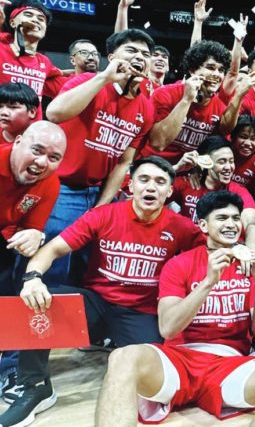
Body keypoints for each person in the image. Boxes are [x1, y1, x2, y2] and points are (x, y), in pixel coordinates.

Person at [0, 157, 203, 426]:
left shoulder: (181, 227)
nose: (150, 188)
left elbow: (209, 252)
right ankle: (35, 387)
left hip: (140, 311)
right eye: (144, 180)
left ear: (168, 191)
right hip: (97, 304)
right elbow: (53, 249)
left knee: (156, 379)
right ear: (130, 185)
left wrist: (242, 248)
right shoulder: (105, 214)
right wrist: (33, 278)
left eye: (160, 182)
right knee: (37, 301)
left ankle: (116, 344)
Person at [94, 191, 255, 426]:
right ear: (203, 225)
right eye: (222, 218)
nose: (231, 224)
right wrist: (208, 282)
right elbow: (168, 329)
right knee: (122, 356)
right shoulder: (179, 264)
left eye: (236, 218)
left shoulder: (253, 267)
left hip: (229, 364)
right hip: (179, 359)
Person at [40, 29, 156, 285]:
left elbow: (124, 161)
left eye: (146, 54)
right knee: (51, 254)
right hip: (61, 187)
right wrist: (104, 78)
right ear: (112, 55)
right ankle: (33, 318)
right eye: (132, 50)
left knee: (87, 256)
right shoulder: (88, 81)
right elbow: (54, 113)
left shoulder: (146, 108)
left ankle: (74, 314)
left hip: (98, 191)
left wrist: (103, 204)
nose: (140, 57)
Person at [141, 40, 235, 165]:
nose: (216, 75)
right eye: (210, 68)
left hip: (186, 174)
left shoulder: (220, 108)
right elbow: (158, 143)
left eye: (221, 70)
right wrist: (186, 100)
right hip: (151, 166)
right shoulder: (165, 94)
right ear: (192, 70)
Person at [0, 121, 66, 296]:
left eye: (53, 158)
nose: (42, 162)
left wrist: (36, 236)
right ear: (17, 142)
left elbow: (31, 229)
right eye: (36, 150)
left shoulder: (50, 183)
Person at [171, 136, 255, 249]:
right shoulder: (188, 183)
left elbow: (251, 224)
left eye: (231, 161)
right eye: (221, 162)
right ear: (205, 163)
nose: (229, 167)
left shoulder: (238, 190)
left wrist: (249, 251)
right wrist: (176, 169)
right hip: (189, 255)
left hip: (223, 253)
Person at [0, 0, 62, 114]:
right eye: (28, 15)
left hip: (31, 131)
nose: (35, 20)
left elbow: (63, 75)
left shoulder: (44, 62)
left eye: (41, 19)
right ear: (12, 22)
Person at [229, 115, 255, 206]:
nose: (248, 143)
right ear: (232, 137)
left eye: (253, 139)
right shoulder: (222, 151)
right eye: (243, 137)